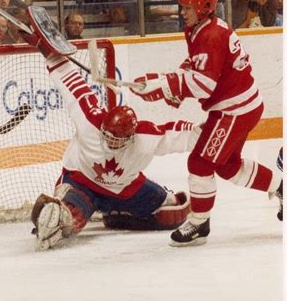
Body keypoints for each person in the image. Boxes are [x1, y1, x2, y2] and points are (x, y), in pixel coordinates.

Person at [18, 18, 195, 251]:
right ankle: (58, 218)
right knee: (70, 215)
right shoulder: (90, 119)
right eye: (108, 135)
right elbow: (70, 81)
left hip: (125, 187)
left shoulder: (145, 137)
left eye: (116, 139)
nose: (110, 141)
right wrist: (45, 49)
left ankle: (115, 212)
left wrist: (219, 131)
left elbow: (182, 134)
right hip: (82, 180)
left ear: (130, 137)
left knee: (170, 210)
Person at [129, 0, 283, 247]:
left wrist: (166, 86)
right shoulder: (202, 28)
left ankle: (200, 223)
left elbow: (203, 85)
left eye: (187, 7)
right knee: (228, 167)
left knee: (200, 164)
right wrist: (170, 83)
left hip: (233, 110)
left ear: (203, 6)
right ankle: (281, 187)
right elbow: (196, 66)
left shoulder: (211, 35)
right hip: (239, 107)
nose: (182, 12)